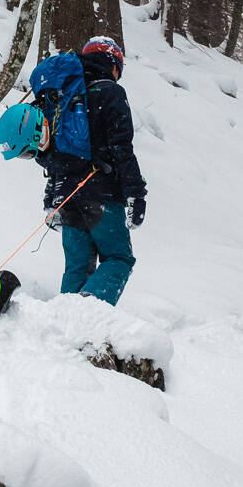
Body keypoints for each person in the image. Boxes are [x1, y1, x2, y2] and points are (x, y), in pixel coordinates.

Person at [43, 36, 146, 306]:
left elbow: (56, 151)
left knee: (77, 266)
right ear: (112, 64)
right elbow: (122, 148)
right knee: (119, 258)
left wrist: (50, 198)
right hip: (101, 194)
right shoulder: (111, 93)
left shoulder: (65, 95)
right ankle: (88, 316)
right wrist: (137, 194)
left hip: (66, 194)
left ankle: (62, 324)